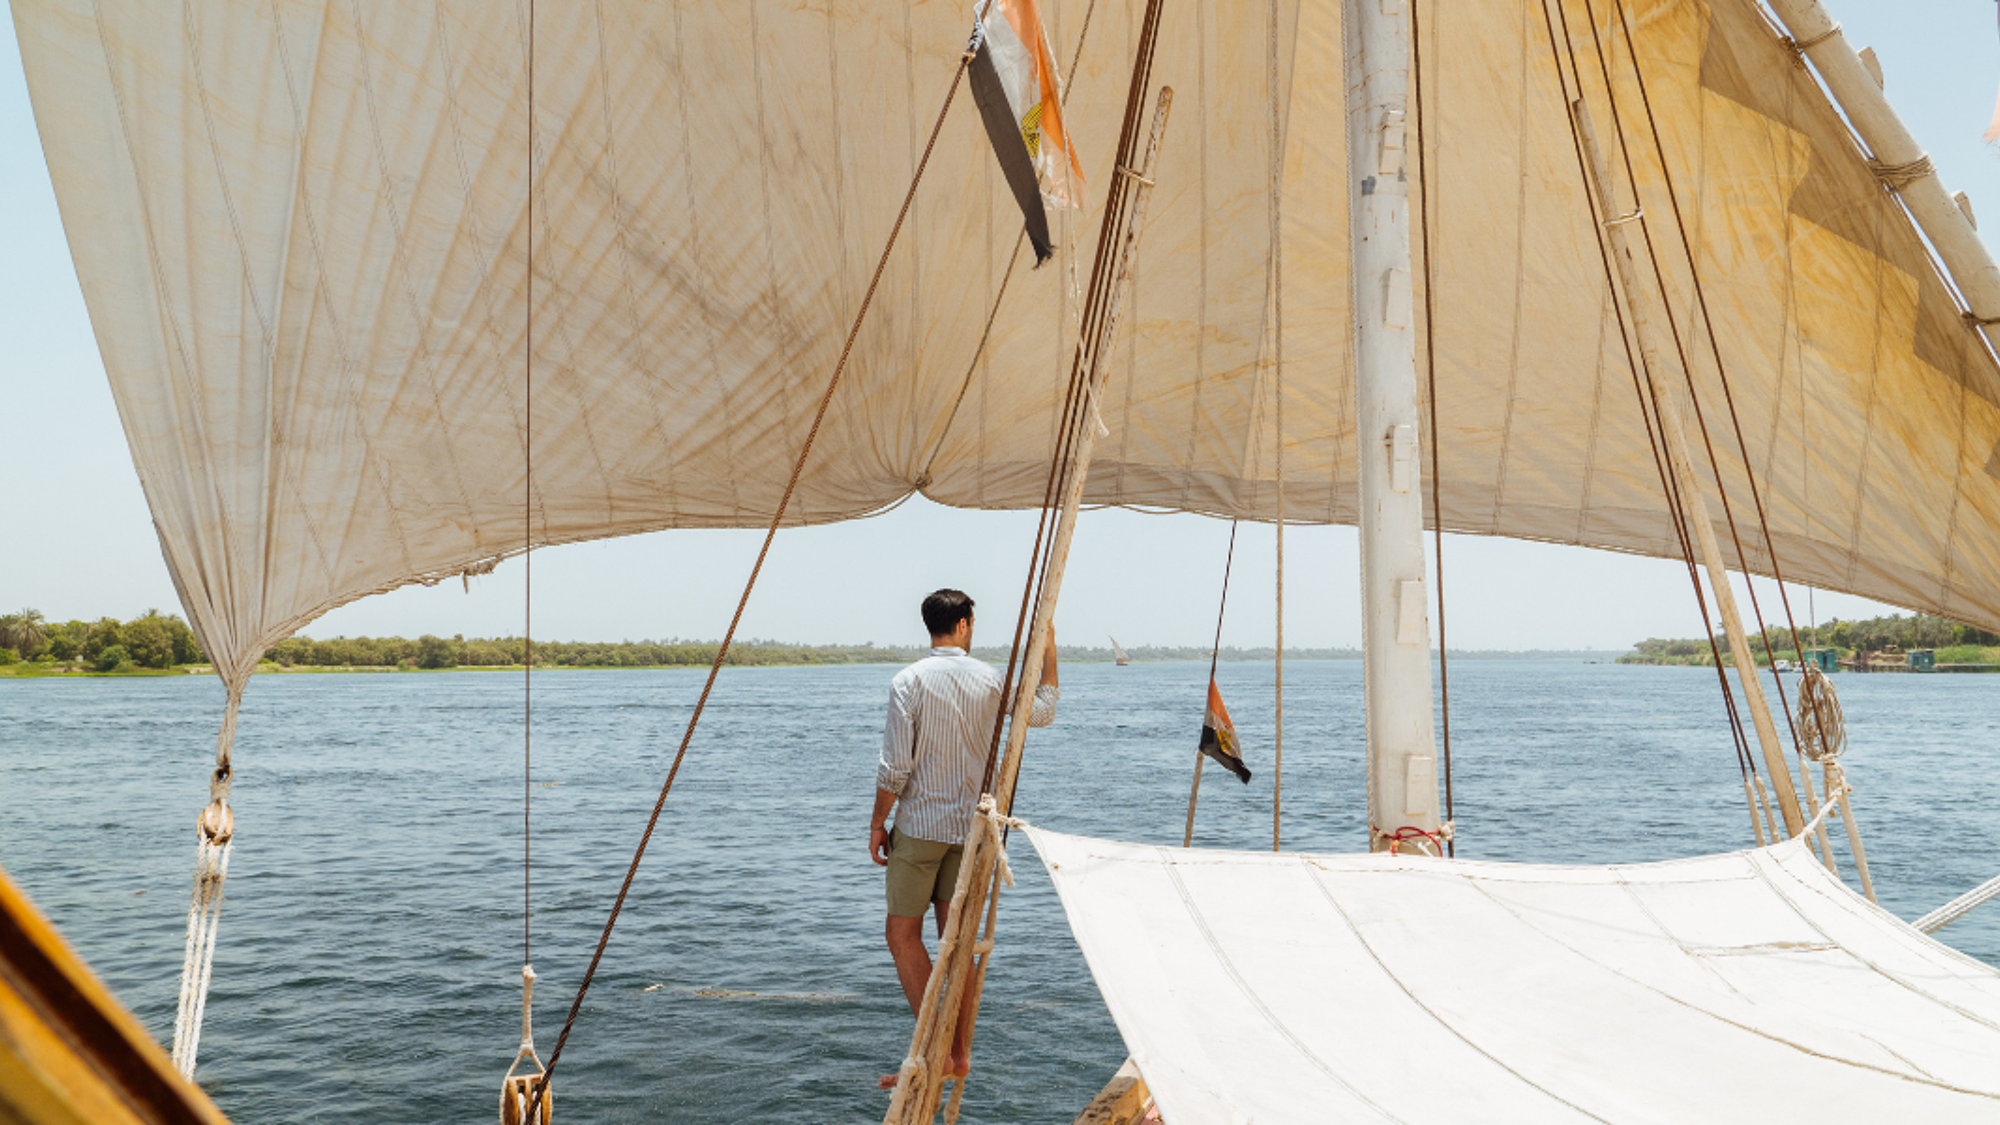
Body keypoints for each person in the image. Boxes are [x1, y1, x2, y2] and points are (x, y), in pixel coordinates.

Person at [870, 588, 1058, 1089]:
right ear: (964, 625)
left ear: (930, 625)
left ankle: (934, 1047)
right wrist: (1049, 649)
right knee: (955, 942)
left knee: (901, 935)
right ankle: (957, 1054)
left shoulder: (907, 681)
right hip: (971, 831)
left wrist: (877, 823)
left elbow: (895, 768)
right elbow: (1042, 712)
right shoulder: (991, 679)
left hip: (919, 829)